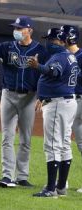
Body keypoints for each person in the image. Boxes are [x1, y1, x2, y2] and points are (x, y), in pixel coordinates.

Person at [0, 16, 48, 187]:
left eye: (20, 28)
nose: (17, 31)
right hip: (8, 95)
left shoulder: (40, 51)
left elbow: (46, 74)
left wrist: (42, 96)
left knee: (26, 139)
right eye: (15, 28)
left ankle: (22, 177)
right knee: (7, 137)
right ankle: (7, 176)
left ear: (30, 31)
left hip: (29, 97)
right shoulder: (7, 47)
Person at [28, 27, 79, 197]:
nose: (49, 42)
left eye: (52, 40)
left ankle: (50, 189)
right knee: (64, 144)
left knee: (52, 145)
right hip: (67, 102)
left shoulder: (59, 56)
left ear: (62, 41)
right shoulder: (70, 56)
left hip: (58, 104)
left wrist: (38, 66)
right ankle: (61, 187)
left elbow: (54, 71)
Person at [60, 25, 82, 193]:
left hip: (79, 101)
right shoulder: (64, 55)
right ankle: (63, 182)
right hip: (70, 101)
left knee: (77, 142)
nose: (61, 39)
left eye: (63, 36)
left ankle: (62, 182)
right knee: (64, 140)